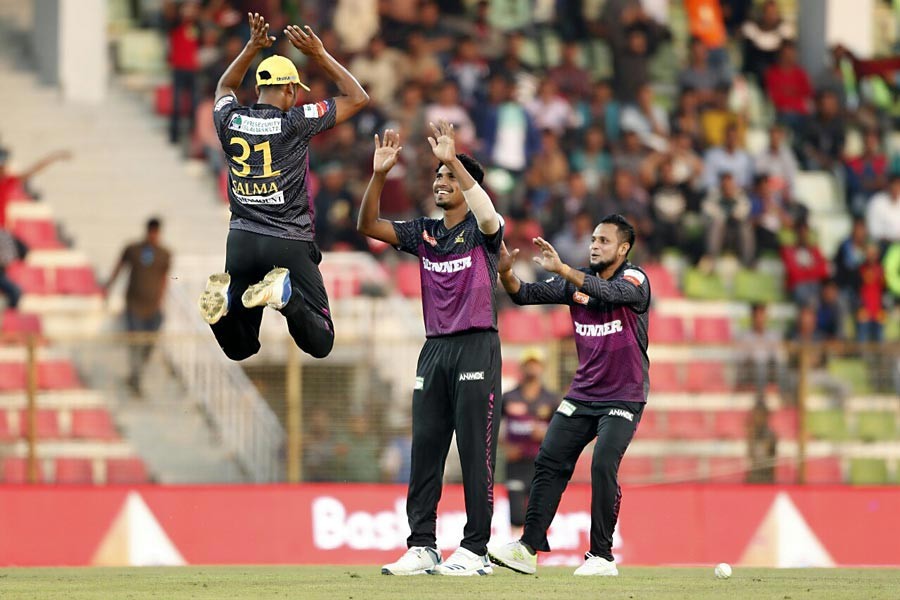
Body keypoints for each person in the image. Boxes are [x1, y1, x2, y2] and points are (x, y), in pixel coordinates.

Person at [357, 121, 503, 577]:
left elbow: (489, 216)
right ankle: (422, 545)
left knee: (475, 454)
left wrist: (457, 160)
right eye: (438, 177)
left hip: (477, 345)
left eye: (449, 178)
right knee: (426, 450)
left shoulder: (484, 233)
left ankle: (476, 549)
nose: (440, 183)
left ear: (467, 185)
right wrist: (379, 174)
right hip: (435, 349)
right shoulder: (425, 233)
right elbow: (367, 225)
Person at [197, 13, 368, 362]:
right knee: (321, 342)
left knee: (241, 347)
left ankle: (223, 305)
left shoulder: (230, 119)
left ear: (259, 88)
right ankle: (285, 295)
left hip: (241, 239)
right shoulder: (295, 121)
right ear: (290, 89)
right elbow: (357, 97)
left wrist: (250, 48)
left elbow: (224, 88)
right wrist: (320, 54)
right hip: (288, 241)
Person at [488, 214, 651, 577]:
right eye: (594, 239)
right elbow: (523, 295)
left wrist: (563, 270)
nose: (595, 245)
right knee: (548, 460)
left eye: (604, 241)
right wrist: (505, 273)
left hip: (623, 397)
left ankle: (601, 557)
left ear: (623, 249)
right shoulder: (575, 279)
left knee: (603, 463)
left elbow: (613, 293)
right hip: (582, 394)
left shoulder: (636, 278)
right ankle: (527, 548)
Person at [104, 218, 172, 395]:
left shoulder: (164, 254)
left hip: (153, 308)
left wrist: (160, 301)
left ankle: (137, 373)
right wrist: (109, 286)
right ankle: (136, 378)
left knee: (148, 344)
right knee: (136, 342)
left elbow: (165, 278)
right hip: (134, 305)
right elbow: (119, 267)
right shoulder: (133, 249)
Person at [501, 347, 557, 536]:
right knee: (516, 510)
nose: (533, 368)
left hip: (541, 462)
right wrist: (505, 446)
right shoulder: (509, 397)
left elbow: (562, 430)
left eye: (536, 364)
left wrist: (545, 434)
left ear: (542, 367)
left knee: (537, 509)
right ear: (522, 367)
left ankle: (531, 549)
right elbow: (490, 426)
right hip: (516, 462)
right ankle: (514, 548)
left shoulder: (551, 399)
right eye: (529, 364)